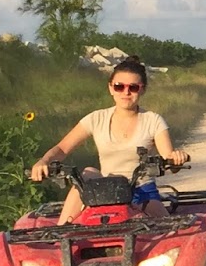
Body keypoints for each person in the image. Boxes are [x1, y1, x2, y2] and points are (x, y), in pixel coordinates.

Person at [29, 56, 192, 225]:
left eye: (133, 87)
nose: (126, 92)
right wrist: (44, 161)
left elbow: (168, 157)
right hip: (103, 193)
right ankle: (61, 234)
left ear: (142, 90)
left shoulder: (153, 120)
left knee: (168, 231)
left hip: (142, 190)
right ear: (110, 88)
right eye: (119, 86)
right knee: (88, 173)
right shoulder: (96, 118)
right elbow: (62, 149)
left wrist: (176, 159)